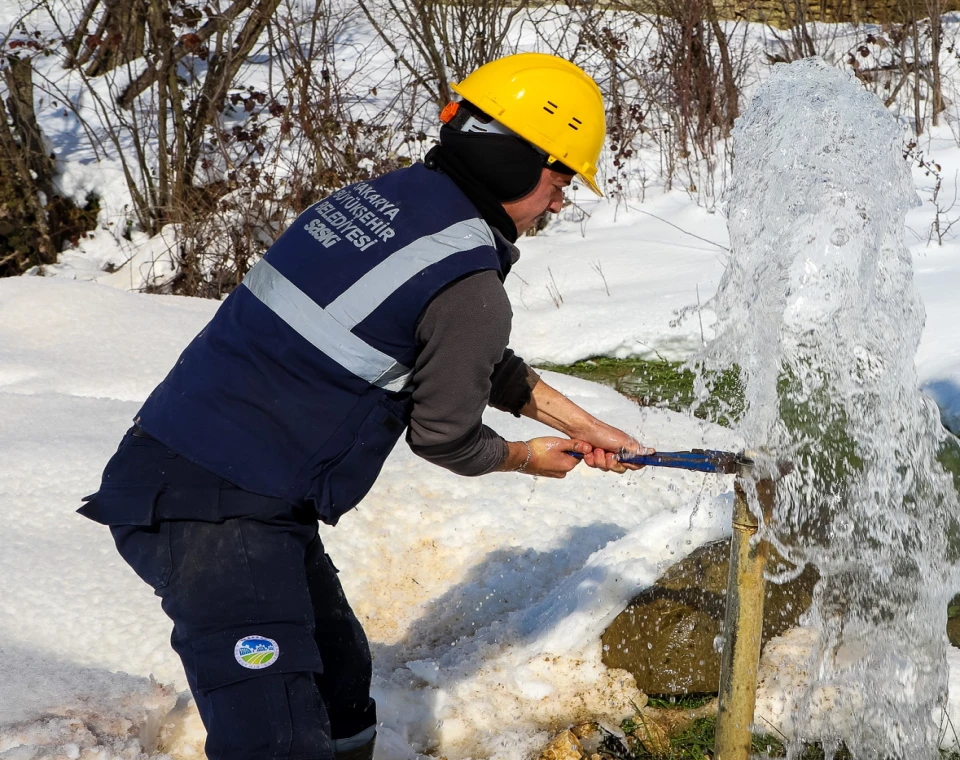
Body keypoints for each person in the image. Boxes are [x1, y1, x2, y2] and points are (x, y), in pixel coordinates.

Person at [79, 53, 649, 760]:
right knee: (278, 741)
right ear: (512, 161)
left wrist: (585, 426)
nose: (559, 203)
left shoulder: (379, 203)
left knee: (340, 685)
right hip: (216, 514)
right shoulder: (470, 284)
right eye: (559, 180)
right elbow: (445, 436)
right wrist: (527, 458)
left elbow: (459, 354)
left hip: (196, 474)